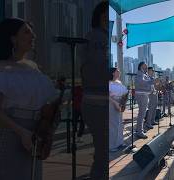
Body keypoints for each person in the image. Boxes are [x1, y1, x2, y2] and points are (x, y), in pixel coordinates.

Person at [0, 18, 57, 180]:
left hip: (35, 134)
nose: (33, 36)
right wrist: (22, 132)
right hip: (9, 133)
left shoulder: (32, 67)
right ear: (13, 38)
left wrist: (47, 128)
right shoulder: (2, 68)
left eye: (32, 32)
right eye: (26, 32)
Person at [79, 2, 106, 179]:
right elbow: (89, 68)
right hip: (95, 101)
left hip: (102, 101)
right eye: (104, 15)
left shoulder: (106, 37)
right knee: (102, 151)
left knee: (102, 150)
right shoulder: (93, 37)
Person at [109, 68, 128, 152]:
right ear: (113, 73)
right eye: (117, 71)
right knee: (113, 125)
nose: (119, 72)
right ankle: (111, 145)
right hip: (112, 104)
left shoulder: (119, 82)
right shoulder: (108, 83)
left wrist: (123, 103)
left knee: (120, 124)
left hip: (120, 103)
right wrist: (115, 103)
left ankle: (120, 142)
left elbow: (124, 93)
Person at [134, 62, 155, 139]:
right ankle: (139, 131)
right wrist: (152, 81)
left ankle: (139, 129)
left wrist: (152, 80)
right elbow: (142, 82)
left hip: (145, 95)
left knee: (142, 113)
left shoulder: (144, 74)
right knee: (142, 114)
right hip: (141, 95)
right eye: (145, 66)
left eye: (146, 66)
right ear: (141, 67)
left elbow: (148, 82)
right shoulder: (140, 73)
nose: (146, 67)